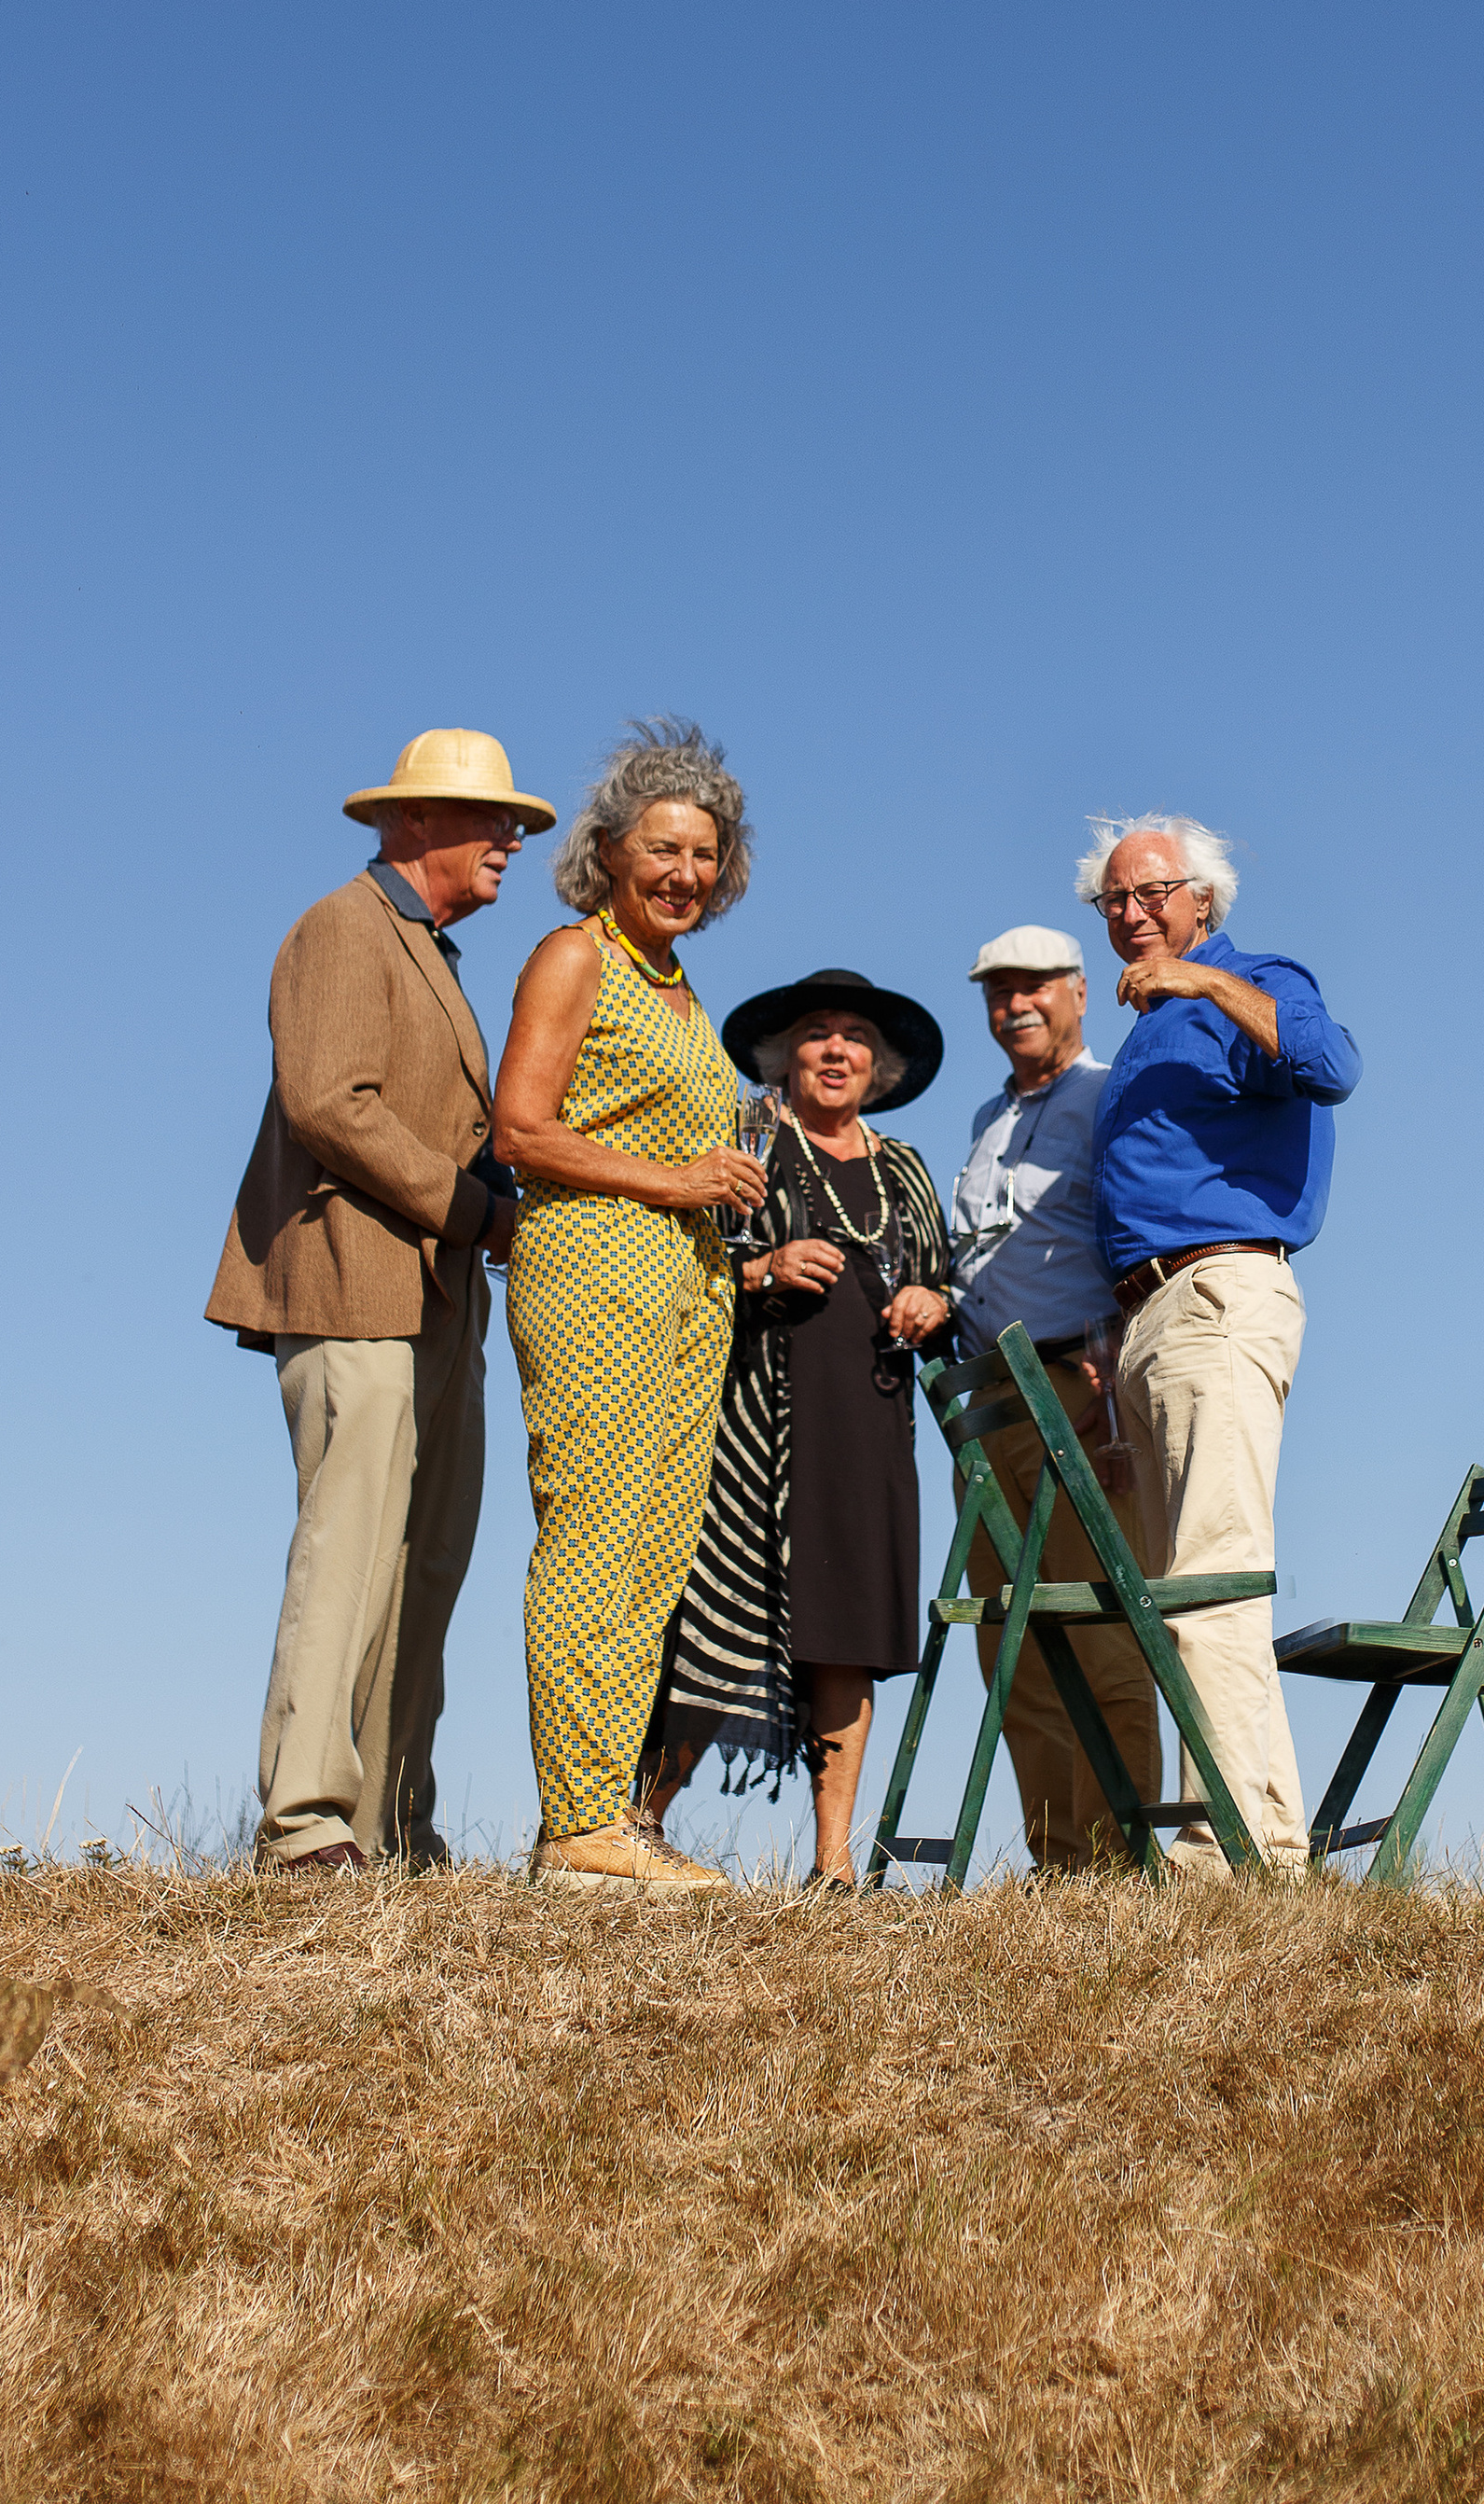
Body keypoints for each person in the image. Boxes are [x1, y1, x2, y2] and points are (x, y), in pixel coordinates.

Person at [207, 725, 554, 1874]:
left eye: (515, 823)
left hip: (440, 1299)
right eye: (490, 818)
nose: (511, 839)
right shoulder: (342, 927)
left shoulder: (433, 954)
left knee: (427, 1562)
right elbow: (329, 1104)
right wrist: (474, 1210)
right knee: (350, 1549)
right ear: (410, 821)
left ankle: (391, 1823)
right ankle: (304, 1826)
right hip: (353, 1280)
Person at [491, 719, 770, 1896]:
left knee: (655, 1554)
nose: (686, 875)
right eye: (664, 849)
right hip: (594, 1270)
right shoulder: (575, 957)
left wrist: (724, 1188)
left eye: (706, 856)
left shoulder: (681, 987)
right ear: (608, 851)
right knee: (592, 1541)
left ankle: (613, 1816)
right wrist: (680, 1179)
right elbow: (520, 1131)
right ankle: (576, 1825)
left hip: (688, 1288)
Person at [1083, 814, 1362, 1880]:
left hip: (1219, 1291)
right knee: (1185, 1589)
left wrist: (1203, 986)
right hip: (1153, 1316)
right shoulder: (1143, 1032)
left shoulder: (1248, 978)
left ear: (1204, 899)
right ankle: (1263, 1841)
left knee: (1211, 1577)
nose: (1132, 914)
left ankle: (1229, 1856)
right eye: (1113, 900)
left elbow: (1332, 1062)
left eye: (1152, 892)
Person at [639, 971, 951, 1888]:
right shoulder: (745, 1139)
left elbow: (943, 1278)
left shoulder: (903, 1167)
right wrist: (760, 1268)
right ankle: (634, 1826)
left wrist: (934, 1299)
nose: (835, 1050)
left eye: (854, 1037)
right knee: (714, 1619)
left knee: (847, 1633)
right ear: (784, 1057)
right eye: (816, 1033)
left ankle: (833, 1864)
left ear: (879, 1067)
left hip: (871, 1418)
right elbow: (678, 1264)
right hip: (751, 1424)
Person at [945, 926, 1162, 1872]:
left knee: (1099, 1630)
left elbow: (1134, 1238)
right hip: (986, 1404)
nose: (1015, 1005)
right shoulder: (986, 1119)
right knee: (1013, 1641)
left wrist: (1118, 1397)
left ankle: (1121, 1862)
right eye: (998, 992)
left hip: (1079, 1389)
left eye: (1035, 987)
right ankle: (1059, 1862)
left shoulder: (1107, 1093)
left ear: (1078, 993)